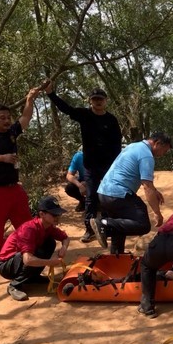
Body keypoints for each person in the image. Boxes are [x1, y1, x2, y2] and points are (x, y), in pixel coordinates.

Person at [44, 80, 122, 242]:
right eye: (95, 99)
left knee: (108, 197)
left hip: (109, 167)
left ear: (105, 101)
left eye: (100, 99)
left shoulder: (112, 120)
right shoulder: (85, 115)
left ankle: (106, 227)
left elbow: (117, 144)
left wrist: (117, 165)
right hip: (91, 167)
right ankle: (89, 230)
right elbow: (66, 109)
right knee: (91, 198)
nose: (98, 101)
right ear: (90, 101)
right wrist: (51, 94)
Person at [0, 87, 41, 258]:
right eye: (2, 118)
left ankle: (28, 249)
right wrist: (2, 158)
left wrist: (30, 99)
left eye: (8, 117)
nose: (7, 120)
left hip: (14, 188)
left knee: (26, 222)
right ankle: (0, 256)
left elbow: (25, 118)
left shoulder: (12, 132)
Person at [90, 132, 172, 255]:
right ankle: (104, 224)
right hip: (118, 193)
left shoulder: (134, 146)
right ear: (158, 143)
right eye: (163, 151)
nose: (162, 155)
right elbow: (147, 186)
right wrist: (157, 213)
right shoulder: (147, 156)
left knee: (121, 224)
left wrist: (155, 190)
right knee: (142, 224)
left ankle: (116, 257)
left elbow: (148, 183)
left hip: (104, 192)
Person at [0, 196, 70, 301]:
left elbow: (66, 238)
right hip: (6, 265)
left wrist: (64, 247)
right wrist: (50, 262)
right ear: (42, 214)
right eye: (54, 214)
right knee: (34, 253)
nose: (57, 217)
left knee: (49, 243)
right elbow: (28, 259)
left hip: (19, 259)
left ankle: (32, 277)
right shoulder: (29, 229)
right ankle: (14, 285)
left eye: (58, 214)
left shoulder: (48, 226)